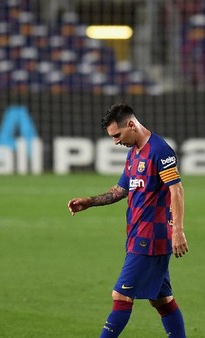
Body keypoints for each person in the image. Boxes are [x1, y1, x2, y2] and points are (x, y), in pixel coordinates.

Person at [67, 103, 188, 338]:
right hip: (137, 237)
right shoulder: (134, 154)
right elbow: (120, 190)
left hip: (151, 239)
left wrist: (178, 231)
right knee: (162, 300)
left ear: (131, 124)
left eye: (117, 135)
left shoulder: (159, 150)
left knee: (120, 296)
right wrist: (89, 202)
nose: (115, 142)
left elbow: (177, 189)